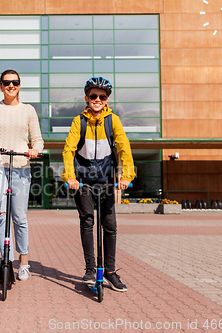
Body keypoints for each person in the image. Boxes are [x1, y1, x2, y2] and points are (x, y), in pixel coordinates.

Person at [61, 77, 135, 292]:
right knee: (87, 222)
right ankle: (91, 269)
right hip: (83, 180)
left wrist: (126, 176)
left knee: (110, 226)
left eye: (102, 96)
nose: (98, 99)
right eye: (93, 96)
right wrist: (70, 177)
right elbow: (68, 150)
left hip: (106, 180)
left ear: (106, 99)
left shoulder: (113, 121)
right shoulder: (79, 121)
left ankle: (110, 272)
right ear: (87, 98)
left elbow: (124, 148)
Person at [0, 69, 44, 281]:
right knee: (0, 213)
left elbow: (38, 139)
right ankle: (7, 260)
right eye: (6, 82)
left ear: (20, 85)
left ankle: (23, 262)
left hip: (21, 164)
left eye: (15, 82)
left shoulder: (29, 110)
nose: (11, 86)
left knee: (20, 216)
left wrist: (34, 149)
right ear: (0, 85)